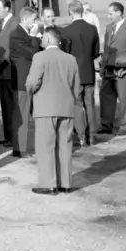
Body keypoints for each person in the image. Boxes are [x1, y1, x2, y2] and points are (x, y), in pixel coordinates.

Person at [25, 25, 82, 194]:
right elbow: (77, 85)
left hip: (45, 107)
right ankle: (65, 183)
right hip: (66, 107)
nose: (41, 39)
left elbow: (32, 82)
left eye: (43, 37)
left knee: (45, 146)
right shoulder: (70, 59)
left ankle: (48, 183)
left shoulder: (39, 57)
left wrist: (31, 93)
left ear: (49, 39)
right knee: (65, 146)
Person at [60, 1, 101, 147]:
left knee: (77, 105)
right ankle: (92, 136)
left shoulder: (66, 31)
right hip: (88, 70)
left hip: (74, 72)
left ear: (70, 12)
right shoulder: (92, 29)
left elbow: (64, 53)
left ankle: (81, 136)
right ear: (82, 11)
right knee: (89, 104)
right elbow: (96, 52)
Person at [99, 1, 126, 135]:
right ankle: (106, 125)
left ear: (119, 13)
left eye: (110, 13)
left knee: (124, 99)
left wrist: (122, 62)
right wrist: (103, 67)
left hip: (123, 71)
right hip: (108, 71)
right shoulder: (109, 28)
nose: (108, 16)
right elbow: (106, 49)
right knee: (106, 98)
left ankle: (124, 126)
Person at [9, 6, 39, 157]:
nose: (35, 23)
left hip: (25, 80)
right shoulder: (17, 35)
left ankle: (23, 146)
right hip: (21, 81)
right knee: (21, 115)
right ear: (26, 19)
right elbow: (33, 53)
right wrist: (34, 37)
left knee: (25, 115)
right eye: (33, 20)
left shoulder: (22, 34)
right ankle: (20, 148)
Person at [0, 0, 18, 150]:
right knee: (5, 104)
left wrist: (0, 63)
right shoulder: (4, 23)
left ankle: (12, 136)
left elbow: (11, 46)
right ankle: (8, 135)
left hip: (7, 68)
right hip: (3, 68)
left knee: (9, 104)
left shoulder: (13, 23)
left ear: (7, 9)